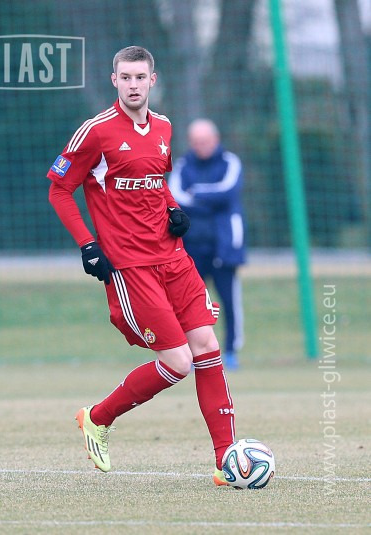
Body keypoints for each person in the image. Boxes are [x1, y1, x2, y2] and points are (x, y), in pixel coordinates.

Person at [47, 46, 235, 487]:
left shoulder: (164, 127)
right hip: (131, 267)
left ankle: (226, 460)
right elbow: (59, 189)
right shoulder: (96, 132)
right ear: (114, 80)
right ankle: (98, 417)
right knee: (178, 362)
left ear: (153, 80)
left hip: (174, 258)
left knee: (207, 346)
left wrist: (173, 208)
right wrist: (87, 245)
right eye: (125, 77)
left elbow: (157, 181)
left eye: (140, 77)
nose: (133, 85)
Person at [168, 119, 246, 370]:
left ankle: (231, 351)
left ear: (215, 139)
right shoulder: (182, 166)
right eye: (196, 142)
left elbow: (228, 192)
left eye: (205, 141)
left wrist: (197, 194)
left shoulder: (230, 162)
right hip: (191, 248)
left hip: (224, 247)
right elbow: (176, 198)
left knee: (229, 302)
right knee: (190, 305)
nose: (201, 145)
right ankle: (191, 355)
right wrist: (211, 201)